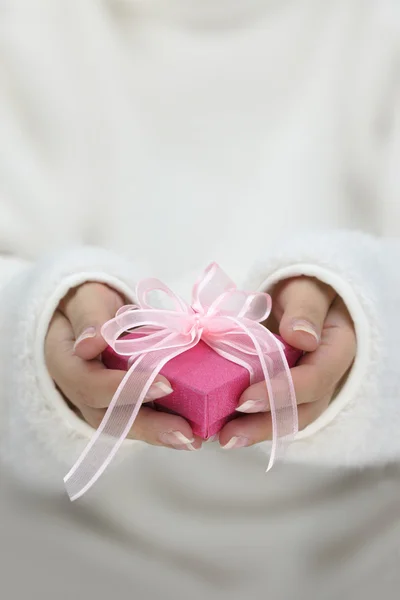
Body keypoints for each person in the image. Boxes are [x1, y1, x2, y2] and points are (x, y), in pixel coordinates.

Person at [0, 1, 399, 598]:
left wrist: (367, 321)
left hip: (368, 538)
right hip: (63, 536)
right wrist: (37, 328)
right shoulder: (29, 27)